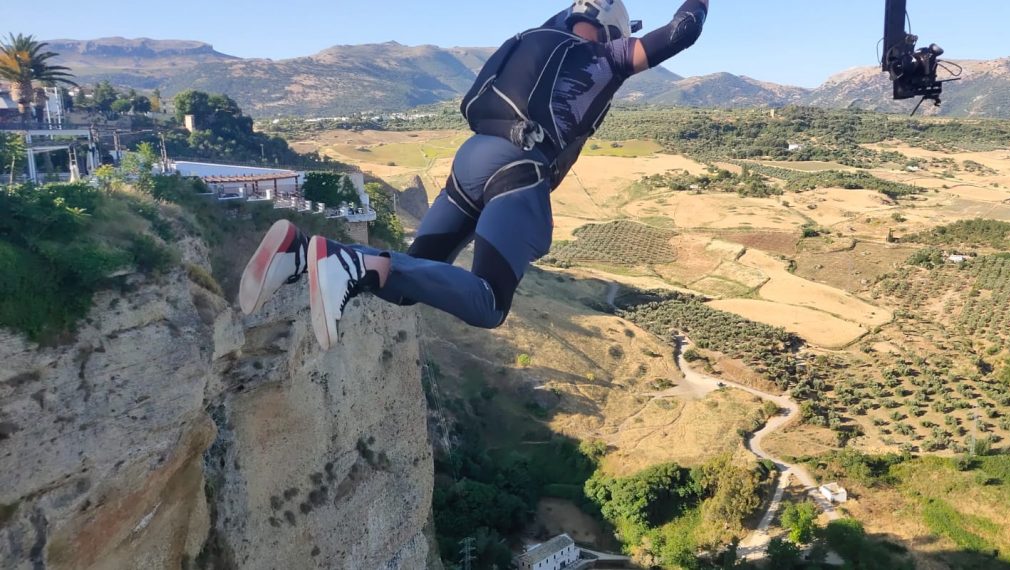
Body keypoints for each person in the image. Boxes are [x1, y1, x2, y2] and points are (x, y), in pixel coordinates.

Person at [238, 0, 710, 349]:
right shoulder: (604, 57)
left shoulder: (530, 41)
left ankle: (302, 252)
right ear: (611, 30)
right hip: (518, 170)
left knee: (404, 282)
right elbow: (683, 30)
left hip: (468, 163)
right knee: (488, 304)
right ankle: (351, 263)